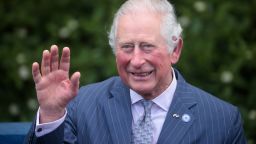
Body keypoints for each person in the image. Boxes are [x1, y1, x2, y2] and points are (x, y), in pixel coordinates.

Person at [24, 0, 247, 143]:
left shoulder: (222, 120)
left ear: (175, 49)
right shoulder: (79, 105)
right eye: (127, 47)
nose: (137, 60)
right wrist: (52, 114)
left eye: (147, 46)